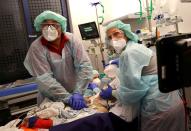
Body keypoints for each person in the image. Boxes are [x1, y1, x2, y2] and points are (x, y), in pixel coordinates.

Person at [99, 20, 185, 131]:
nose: (113, 39)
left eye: (116, 33)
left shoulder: (129, 53)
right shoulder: (135, 47)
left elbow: (132, 93)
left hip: (158, 108)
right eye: (110, 37)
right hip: (171, 101)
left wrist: (113, 93)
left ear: (125, 33)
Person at [24, 10, 93, 110]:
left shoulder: (72, 40)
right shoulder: (36, 47)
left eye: (54, 25)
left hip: (76, 94)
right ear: (40, 27)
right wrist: (67, 98)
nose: (50, 28)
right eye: (45, 25)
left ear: (61, 27)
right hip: (51, 98)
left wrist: (78, 92)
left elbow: (85, 66)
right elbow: (44, 79)